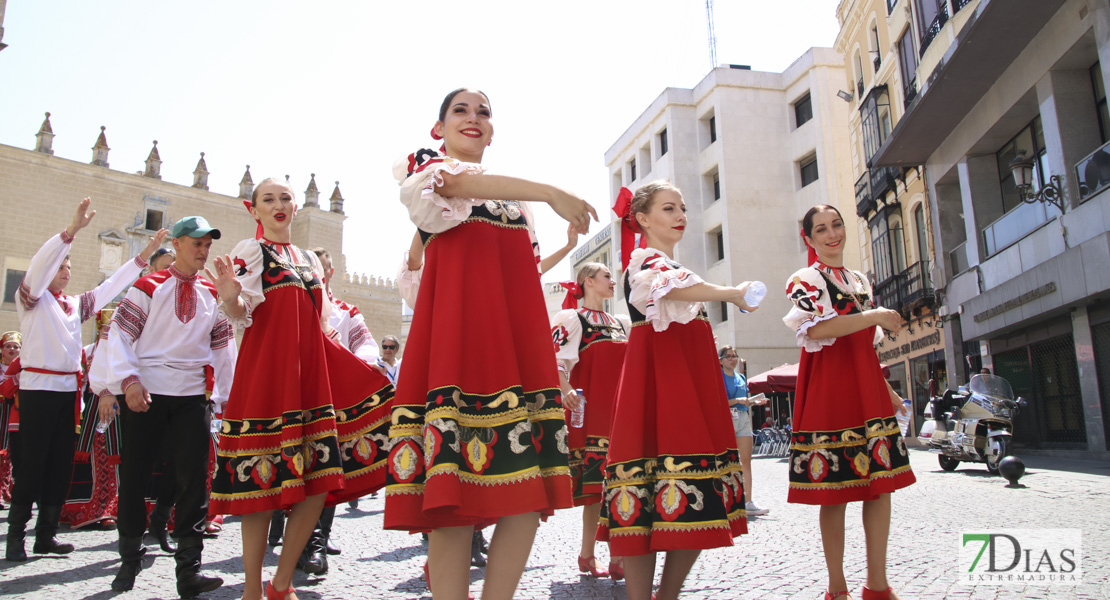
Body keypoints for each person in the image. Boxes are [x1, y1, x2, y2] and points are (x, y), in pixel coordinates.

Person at [384, 87, 596, 600]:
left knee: (526, 501)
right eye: (460, 110)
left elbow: (523, 274)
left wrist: (559, 233)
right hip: (457, 347)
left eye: (484, 112)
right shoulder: (428, 169)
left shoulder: (516, 205)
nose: (474, 118)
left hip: (514, 351)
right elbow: (454, 185)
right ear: (439, 128)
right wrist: (550, 189)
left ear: (493, 131)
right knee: (451, 506)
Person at [207, 178, 394, 600]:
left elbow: (323, 324)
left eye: (285, 198)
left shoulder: (308, 259)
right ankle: (252, 588)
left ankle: (282, 580)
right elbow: (241, 313)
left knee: (321, 478)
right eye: (267, 199)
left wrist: (359, 372)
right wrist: (229, 297)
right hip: (268, 375)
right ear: (253, 210)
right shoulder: (251, 251)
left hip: (312, 376)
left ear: (295, 207)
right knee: (261, 483)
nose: (278, 205)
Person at [597, 181, 754, 600]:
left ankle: (664, 595)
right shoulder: (645, 262)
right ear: (643, 220)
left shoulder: (670, 266)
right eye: (669, 208)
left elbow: (684, 290)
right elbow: (674, 289)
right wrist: (732, 294)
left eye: (682, 207)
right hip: (657, 384)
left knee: (702, 496)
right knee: (646, 494)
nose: (680, 215)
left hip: (686, 386)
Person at [5, 197, 165, 563]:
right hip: (38, 390)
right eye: (60, 266)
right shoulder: (30, 300)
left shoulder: (73, 305)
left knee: (60, 464)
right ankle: (16, 537)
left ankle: (45, 535)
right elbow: (38, 268)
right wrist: (70, 234)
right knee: (32, 464)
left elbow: (110, 287)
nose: (66, 270)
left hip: (66, 393)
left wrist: (143, 260)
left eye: (69, 266)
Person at [88, 216, 235, 597]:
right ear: (178, 243)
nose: (203, 251)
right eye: (197, 243)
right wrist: (128, 381)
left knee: (193, 481)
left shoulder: (210, 292)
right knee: (136, 477)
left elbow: (223, 348)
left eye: (208, 245)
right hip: (147, 392)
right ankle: (129, 559)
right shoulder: (148, 286)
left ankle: (189, 569)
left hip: (191, 395)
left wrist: (225, 398)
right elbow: (119, 335)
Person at [783, 204, 915, 600]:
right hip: (830, 387)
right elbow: (820, 327)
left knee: (881, 486)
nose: (832, 234)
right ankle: (835, 583)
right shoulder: (805, 278)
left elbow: (865, 348)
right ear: (808, 239)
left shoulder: (859, 279)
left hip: (866, 388)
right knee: (836, 490)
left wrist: (889, 393)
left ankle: (877, 582)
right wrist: (872, 314)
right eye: (821, 229)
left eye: (836, 225)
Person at [550, 262, 631, 581]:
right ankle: (591, 553)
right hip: (591, 411)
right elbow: (555, 361)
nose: (613, 281)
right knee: (596, 488)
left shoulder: (621, 323)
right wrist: (566, 389)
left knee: (623, 483)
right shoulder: (573, 319)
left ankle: (614, 555)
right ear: (588, 281)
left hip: (621, 411)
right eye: (607, 276)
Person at [719, 346, 769, 516]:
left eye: (734, 356)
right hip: (726, 418)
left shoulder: (741, 377)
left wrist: (756, 402)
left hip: (743, 418)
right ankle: (725, 499)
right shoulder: (719, 377)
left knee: (746, 460)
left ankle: (748, 501)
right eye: (728, 356)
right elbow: (718, 402)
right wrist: (737, 400)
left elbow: (746, 401)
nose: (732, 359)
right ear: (720, 360)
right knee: (725, 460)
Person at [0, 331, 22, 509]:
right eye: (8, 346)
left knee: (9, 451)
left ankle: (6, 487)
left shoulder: (22, 369)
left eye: (16, 347)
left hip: (13, 412)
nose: (12, 349)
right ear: (2, 350)